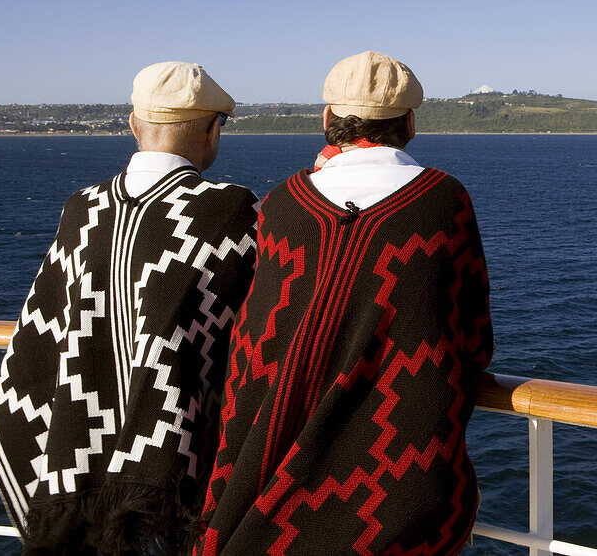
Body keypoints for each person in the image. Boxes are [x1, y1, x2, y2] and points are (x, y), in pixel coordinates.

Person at [196, 51, 493, 555]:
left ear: (328, 118)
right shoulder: (444, 200)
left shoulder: (287, 202)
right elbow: (472, 338)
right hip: (399, 489)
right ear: (411, 124)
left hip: (264, 482)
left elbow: (253, 342)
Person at [0, 62, 259, 555]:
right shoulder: (232, 211)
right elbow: (260, 335)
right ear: (212, 129)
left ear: (133, 125)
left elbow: (33, 357)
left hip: (76, 479)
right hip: (174, 487)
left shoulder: (81, 210)